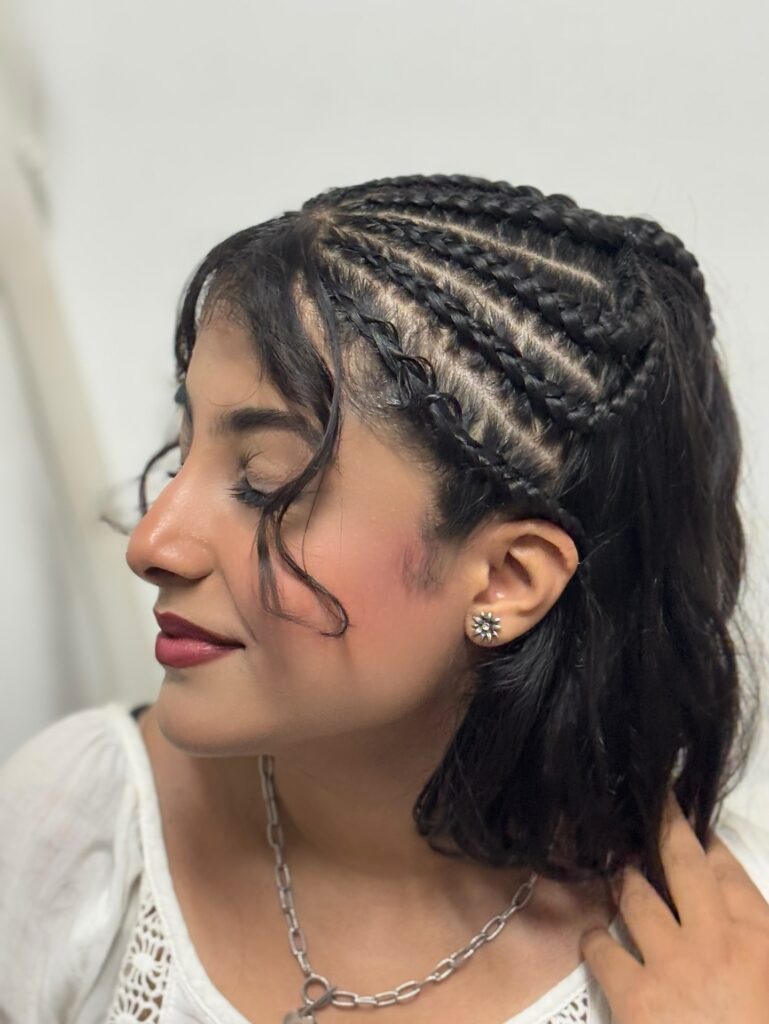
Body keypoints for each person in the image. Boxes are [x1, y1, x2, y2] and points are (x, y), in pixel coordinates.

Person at [1, 173, 768, 1024]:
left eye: (264, 484)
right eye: (183, 456)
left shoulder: (721, 964)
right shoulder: (80, 826)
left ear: (507, 580)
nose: (152, 543)